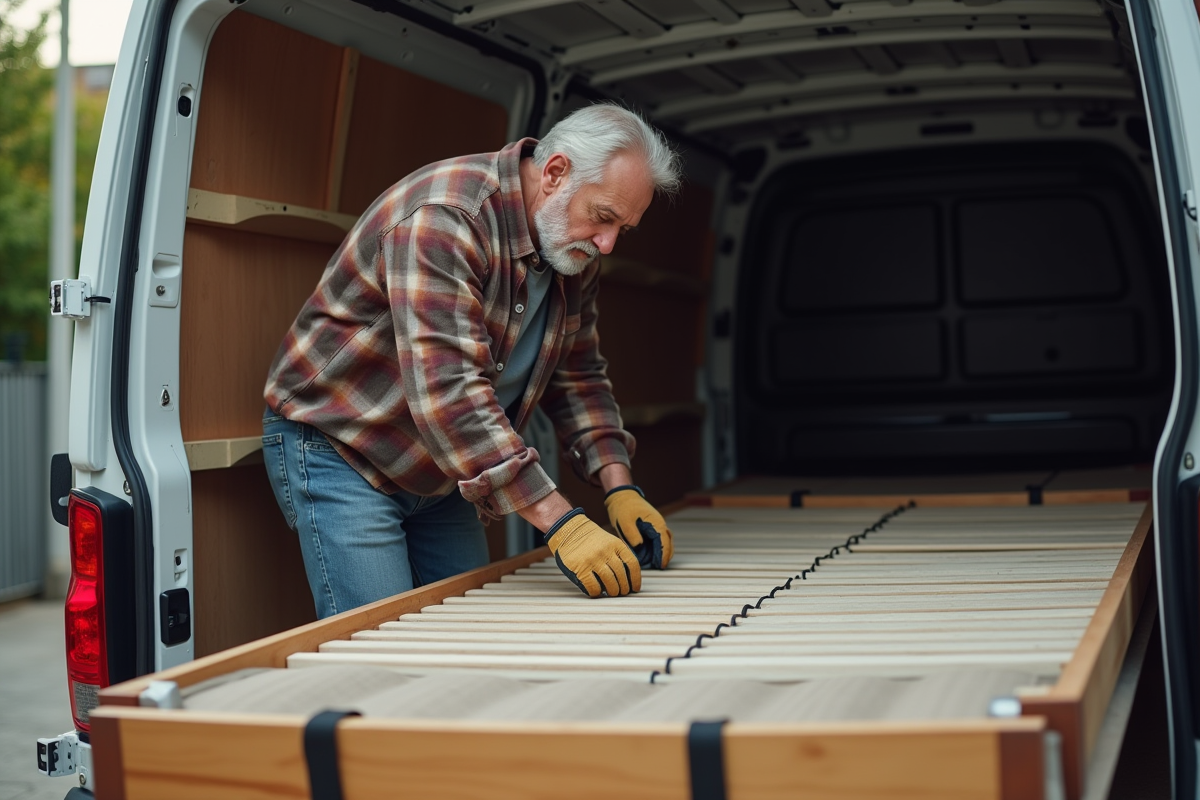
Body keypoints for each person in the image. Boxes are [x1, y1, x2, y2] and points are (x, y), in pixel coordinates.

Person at [261, 103, 683, 618]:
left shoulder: (574, 245)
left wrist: (620, 486)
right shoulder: (446, 217)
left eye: (623, 228)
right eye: (603, 217)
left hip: (443, 467)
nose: (608, 243)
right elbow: (450, 391)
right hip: (346, 448)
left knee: (467, 624)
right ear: (555, 173)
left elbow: (577, 375)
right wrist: (564, 524)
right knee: (382, 641)